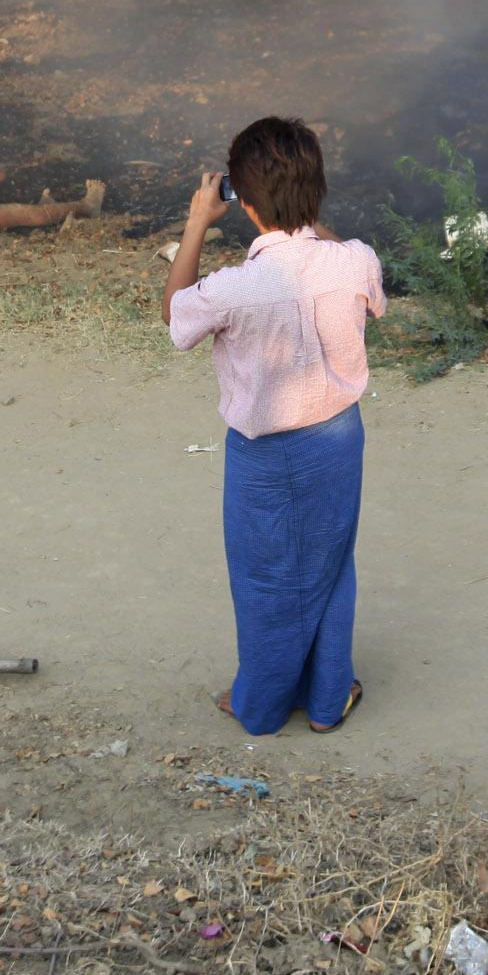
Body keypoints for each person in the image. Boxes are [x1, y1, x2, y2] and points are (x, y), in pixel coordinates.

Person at [163, 116, 387, 736]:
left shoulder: (236, 288)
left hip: (264, 457)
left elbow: (175, 316)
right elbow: (345, 266)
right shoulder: (355, 261)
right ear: (317, 193)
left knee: (265, 575)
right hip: (340, 440)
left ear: (244, 202)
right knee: (331, 563)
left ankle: (260, 703)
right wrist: (303, 217)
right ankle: (326, 700)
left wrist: (196, 224)